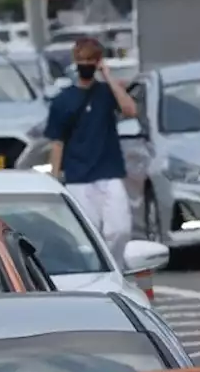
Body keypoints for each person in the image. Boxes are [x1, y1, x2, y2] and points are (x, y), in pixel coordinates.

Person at [43, 37, 137, 268]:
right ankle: (98, 270)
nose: (85, 64)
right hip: (78, 177)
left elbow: (130, 110)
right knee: (88, 235)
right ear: (76, 62)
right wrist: (55, 180)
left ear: (98, 62)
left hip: (109, 172)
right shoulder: (62, 101)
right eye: (82, 60)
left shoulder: (106, 93)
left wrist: (108, 76)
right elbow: (57, 143)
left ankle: (115, 267)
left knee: (120, 229)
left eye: (90, 60)